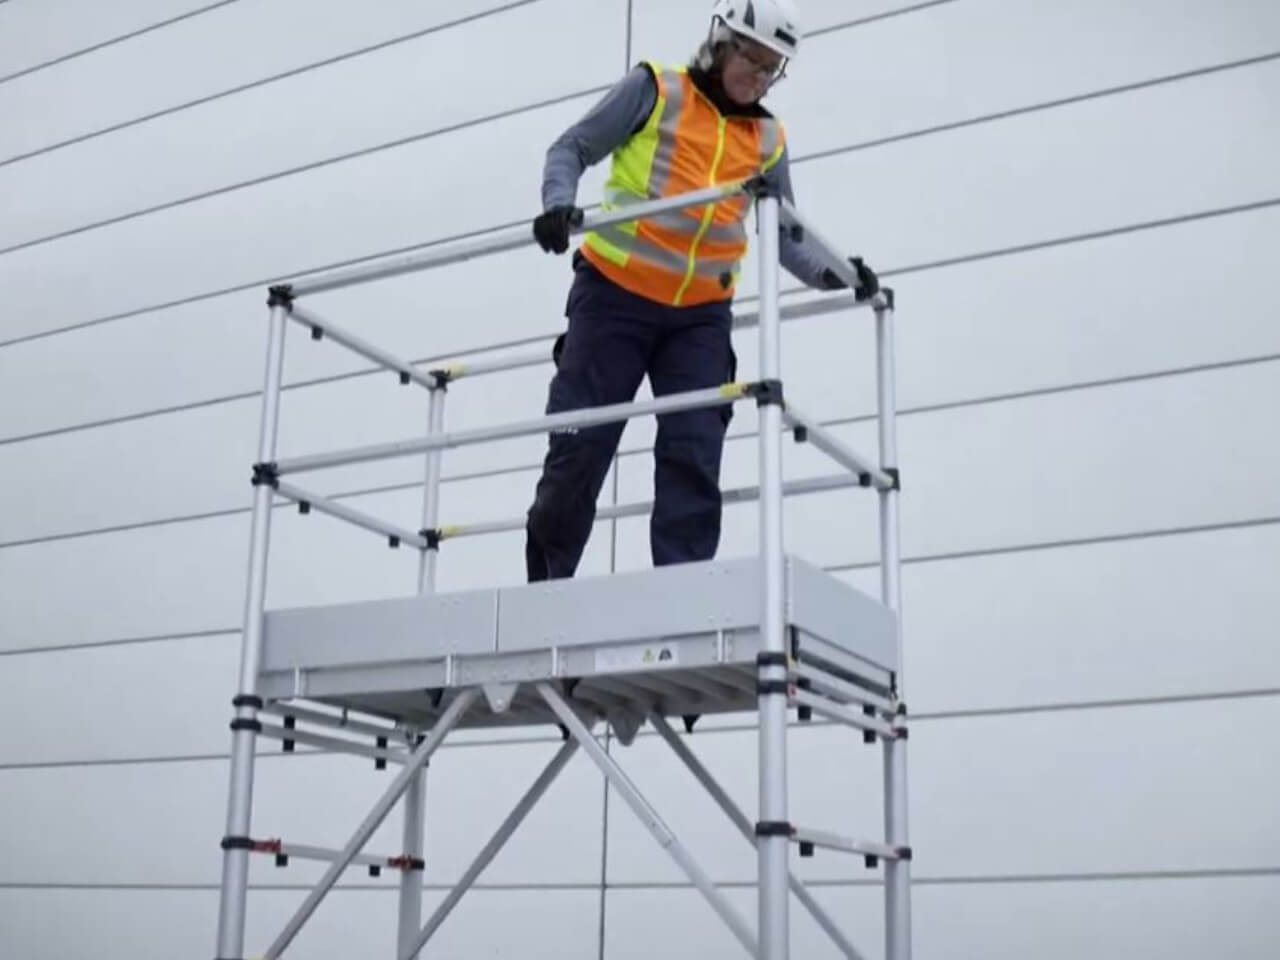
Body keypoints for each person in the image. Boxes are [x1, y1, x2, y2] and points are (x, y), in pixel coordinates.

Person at [523, 0, 879, 582]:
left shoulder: (768, 138)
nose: (758, 77)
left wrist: (839, 274)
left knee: (694, 453)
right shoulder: (656, 90)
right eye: (752, 60)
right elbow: (572, 148)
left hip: (699, 319)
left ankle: (680, 599)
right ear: (721, 44)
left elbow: (786, 234)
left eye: (771, 69)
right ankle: (545, 595)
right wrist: (557, 206)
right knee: (579, 449)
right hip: (614, 298)